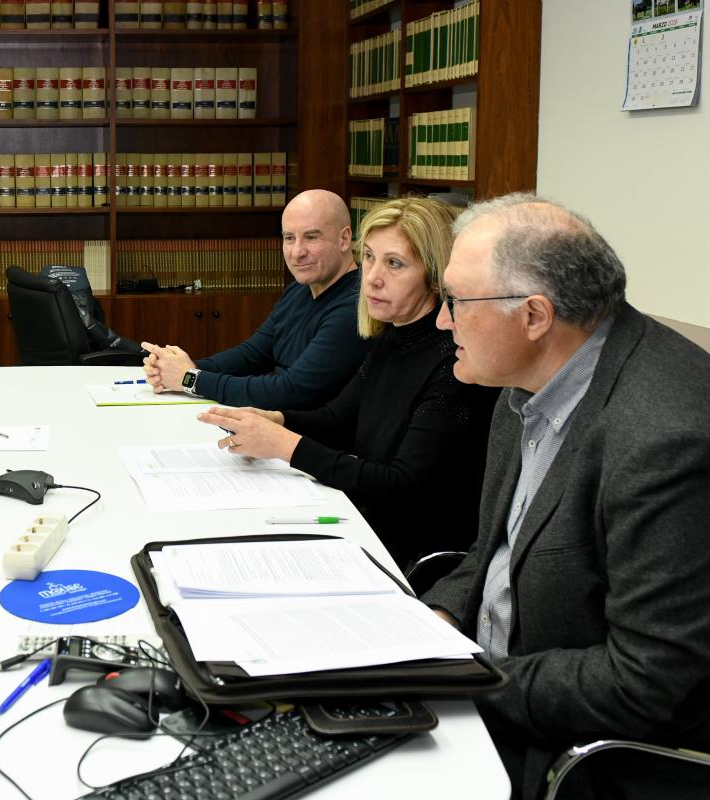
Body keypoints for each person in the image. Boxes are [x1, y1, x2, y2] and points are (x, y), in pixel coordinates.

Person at [419, 193, 710, 799]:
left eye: (455, 301)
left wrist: (460, 681)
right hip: (488, 689)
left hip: (573, 752)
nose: (441, 322)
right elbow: (493, 551)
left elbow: (640, 682)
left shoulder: (665, 437)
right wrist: (436, 622)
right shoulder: (527, 380)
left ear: (534, 316)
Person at [198, 197, 498, 567]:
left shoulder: (454, 362)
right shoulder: (391, 337)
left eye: (394, 263)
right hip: (367, 525)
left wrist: (285, 445)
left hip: (412, 555)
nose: (372, 277)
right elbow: (338, 421)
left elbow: (402, 486)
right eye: (369, 257)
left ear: (435, 275)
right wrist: (276, 420)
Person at [141, 189, 372, 409]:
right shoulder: (299, 291)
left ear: (344, 239)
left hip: (308, 433)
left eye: (311, 237)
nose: (297, 252)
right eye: (289, 238)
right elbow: (253, 355)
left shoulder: (356, 306)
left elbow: (290, 392)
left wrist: (190, 378)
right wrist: (180, 367)